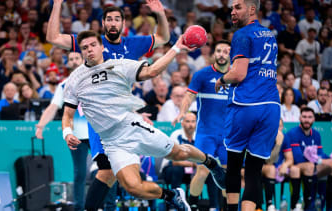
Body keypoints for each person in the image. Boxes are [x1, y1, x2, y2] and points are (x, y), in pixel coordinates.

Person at [62, 31, 226, 211]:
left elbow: (152, 70)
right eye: (85, 48)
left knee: (178, 153)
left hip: (132, 127)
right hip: (112, 142)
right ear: (81, 52)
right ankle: (171, 195)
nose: (89, 50)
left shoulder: (119, 65)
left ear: (102, 47)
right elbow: (68, 115)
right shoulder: (74, 80)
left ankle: (210, 163)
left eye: (93, 45)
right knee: (133, 187)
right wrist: (67, 132)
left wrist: (176, 47)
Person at [46, 0, 170, 209]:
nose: (113, 23)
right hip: (98, 121)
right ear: (103, 23)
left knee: (116, 174)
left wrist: (160, 14)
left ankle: (167, 195)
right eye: (109, 19)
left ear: (123, 23)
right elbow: (53, 38)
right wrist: (57, 4)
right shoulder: (92, 44)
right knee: (108, 171)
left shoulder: (132, 44)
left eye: (117, 19)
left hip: (125, 118)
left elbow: (164, 38)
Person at [214, 0, 280, 210]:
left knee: (233, 167)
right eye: (232, 8)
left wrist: (221, 79)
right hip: (271, 106)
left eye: (238, 7)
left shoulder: (242, 35)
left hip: (246, 105)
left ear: (252, 9)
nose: (232, 12)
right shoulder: (270, 34)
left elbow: (239, 73)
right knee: (254, 171)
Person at [173, 40, 231, 211]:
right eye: (218, 51)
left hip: (229, 136)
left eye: (225, 51)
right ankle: (192, 205)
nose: (221, 54)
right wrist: (183, 112)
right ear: (214, 54)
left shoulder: (237, 76)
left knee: (229, 177)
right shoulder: (202, 75)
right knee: (203, 172)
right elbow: (189, 96)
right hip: (206, 134)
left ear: (231, 55)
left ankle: (228, 208)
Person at [35, 52, 89, 211]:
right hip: (76, 135)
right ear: (67, 64)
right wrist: (41, 125)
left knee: (106, 170)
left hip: (98, 134)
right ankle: (79, 208)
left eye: (76, 58)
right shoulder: (64, 85)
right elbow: (53, 107)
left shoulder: (96, 79)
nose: (73, 61)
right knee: (79, 175)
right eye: (70, 59)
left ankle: (109, 207)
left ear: (83, 60)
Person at [287, 107, 332, 211]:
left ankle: (330, 204)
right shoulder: (292, 133)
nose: (307, 120)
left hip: (312, 166)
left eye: (310, 117)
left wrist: (328, 159)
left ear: (314, 119)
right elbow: (298, 158)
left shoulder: (316, 134)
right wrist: (319, 160)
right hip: (296, 167)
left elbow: (321, 154)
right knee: (309, 166)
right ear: (300, 118)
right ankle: (308, 204)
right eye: (304, 117)